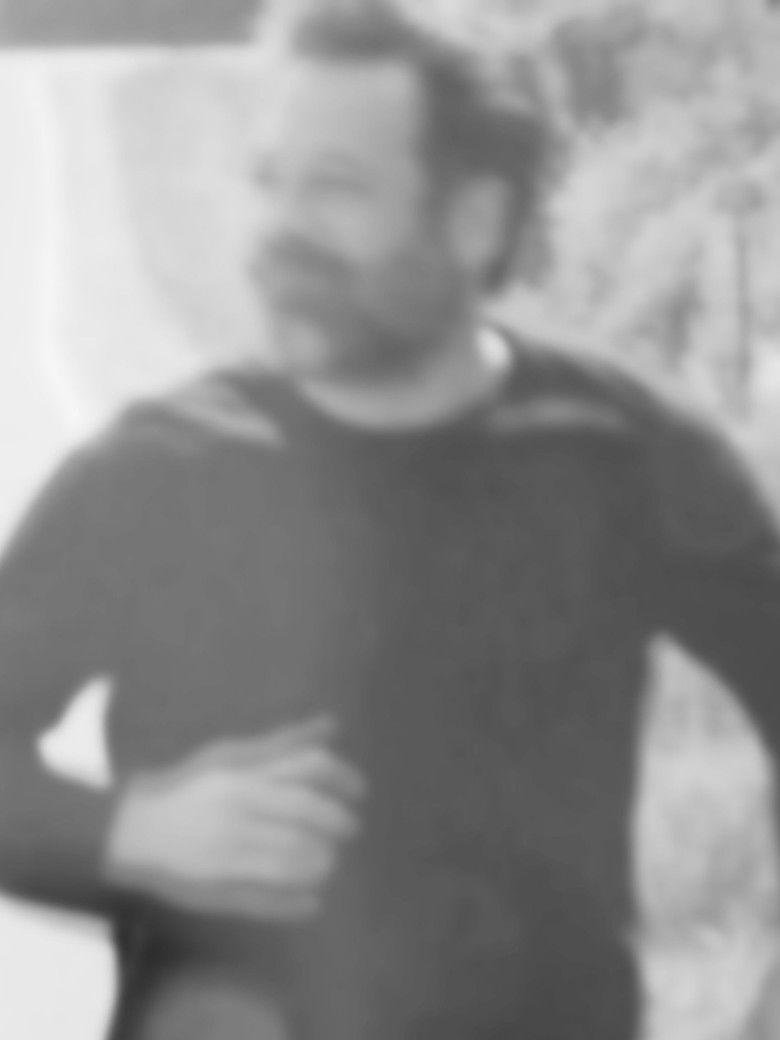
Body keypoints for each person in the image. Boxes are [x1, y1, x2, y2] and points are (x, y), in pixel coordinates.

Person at [0, 2, 778, 1038]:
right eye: (269, 180)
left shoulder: (617, 454)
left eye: (336, 187)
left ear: (474, 221)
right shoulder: (155, 471)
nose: (282, 229)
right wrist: (132, 827)